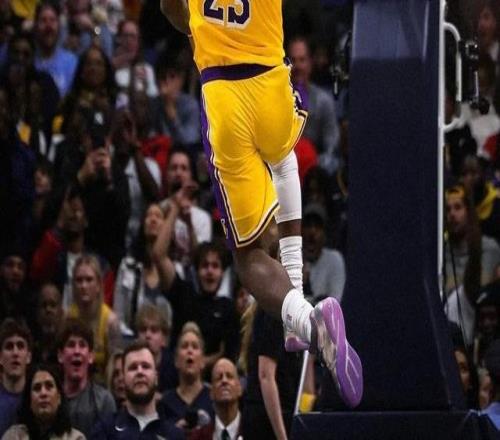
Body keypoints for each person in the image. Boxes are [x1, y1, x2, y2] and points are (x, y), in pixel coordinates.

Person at [160, 0, 363, 408]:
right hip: (269, 78)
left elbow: (169, 8)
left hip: (223, 92)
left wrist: (199, 26)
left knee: (248, 256)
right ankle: (295, 288)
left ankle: (305, 320)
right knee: (284, 156)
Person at [92, 340, 183, 439]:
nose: (140, 372)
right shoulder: (105, 430)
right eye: (133, 368)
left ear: (156, 377)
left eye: (146, 366)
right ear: (123, 378)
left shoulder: (174, 435)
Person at [57, 318, 116, 438]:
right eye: (71, 345)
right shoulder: (50, 398)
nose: (77, 351)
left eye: (82, 345)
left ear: (91, 356)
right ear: (60, 355)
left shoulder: (104, 401)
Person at [67, 255, 122, 380]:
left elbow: (115, 366)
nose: (83, 286)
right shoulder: (68, 318)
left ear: (98, 285)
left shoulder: (110, 321)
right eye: (79, 280)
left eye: (89, 280)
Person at [2, 364, 85, 440]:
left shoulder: (75, 438)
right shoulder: (13, 436)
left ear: (59, 398)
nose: (43, 393)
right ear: (29, 400)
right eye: (37, 388)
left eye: (49, 386)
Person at [161, 322, 213, 434]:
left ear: (203, 361)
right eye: (184, 346)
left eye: (195, 347)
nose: (190, 351)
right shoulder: (165, 402)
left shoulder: (213, 399)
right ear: (176, 361)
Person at [190, 357, 242, 440]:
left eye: (229, 376)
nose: (224, 381)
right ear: (211, 392)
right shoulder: (198, 437)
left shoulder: (255, 432)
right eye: (219, 378)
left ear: (239, 388)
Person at [0, 319, 32, 437]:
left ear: (29, 356)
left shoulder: (38, 397)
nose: (15, 353)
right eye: (9, 347)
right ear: (0, 357)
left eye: (20, 346)